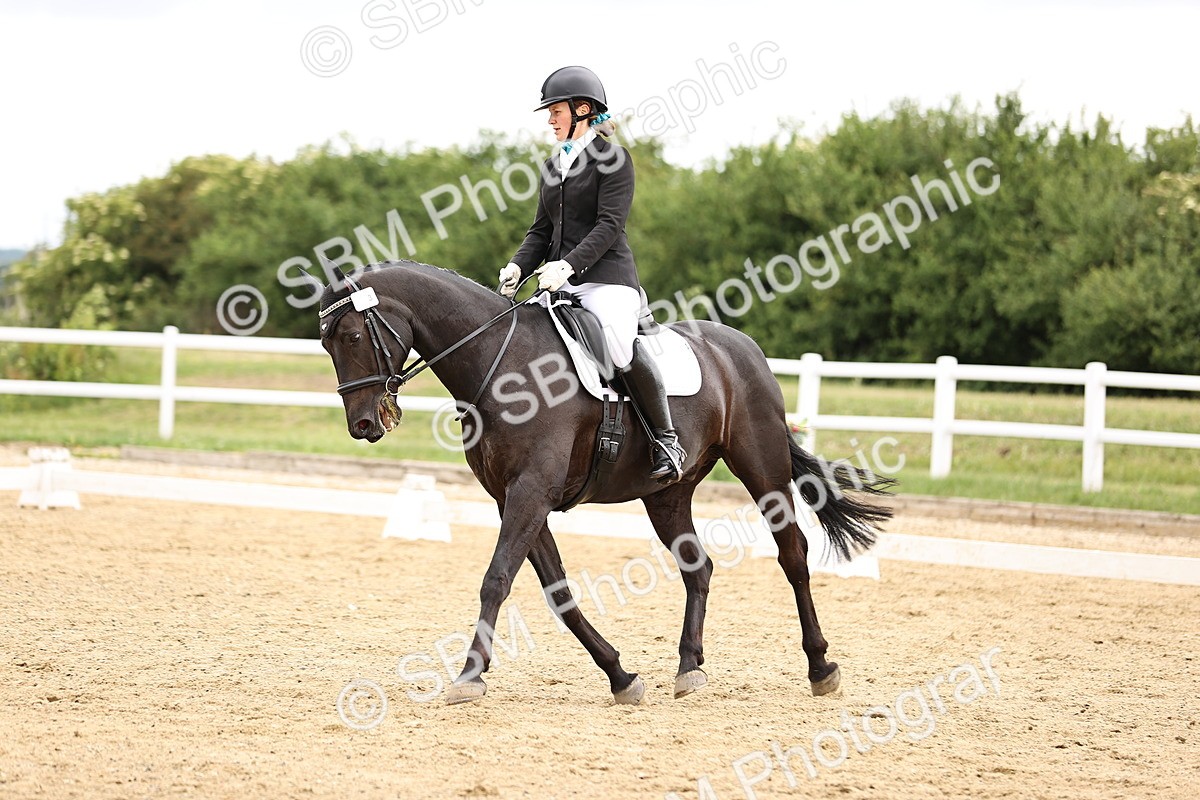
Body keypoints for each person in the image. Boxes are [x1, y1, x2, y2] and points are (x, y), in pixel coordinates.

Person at [498, 65, 686, 485]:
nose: (549, 119)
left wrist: (568, 265)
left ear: (582, 110)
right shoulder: (552, 166)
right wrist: (517, 266)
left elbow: (609, 225)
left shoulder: (613, 159)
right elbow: (541, 231)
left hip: (607, 280)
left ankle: (667, 440)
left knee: (618, 346)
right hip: (559, 281)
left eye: (556, 111)